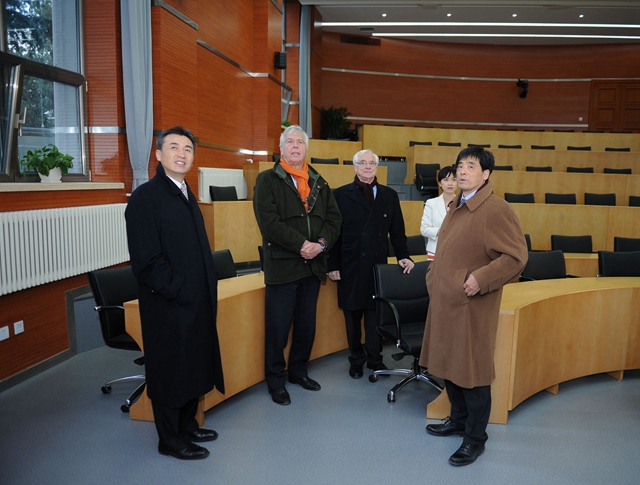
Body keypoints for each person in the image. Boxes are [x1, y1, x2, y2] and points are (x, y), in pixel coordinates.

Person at [419, 147, 527, 467]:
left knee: (473, 374)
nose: (462, 171)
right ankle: (458, 420)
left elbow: (516, 257)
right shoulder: (457, 203)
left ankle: (475, 439)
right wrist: (434, 278)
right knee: (450, 366)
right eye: (460, 166)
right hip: (446, 301)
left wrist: (481, 279)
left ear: (486, 174)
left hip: (471, 306)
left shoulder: (495, 208)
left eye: (471, 166)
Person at [125, 126, 224, 460]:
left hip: (196, 301)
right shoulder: (146, 197)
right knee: (171, 370)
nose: (182, 154)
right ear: (158, 154)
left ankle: (187, 426)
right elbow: (146, 261)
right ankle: (169, 439)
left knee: (193, 364)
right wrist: (178, 291)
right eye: (174, 147)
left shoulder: (184, 191)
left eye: (188, 149)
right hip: (169, 304)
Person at [253, 125, 342, 405]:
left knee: (306, 327)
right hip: (283, 268)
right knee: (278, 329)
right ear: (281, 148)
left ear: (306, 149)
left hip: (312, 268)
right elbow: (268, 222)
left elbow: (334, 220)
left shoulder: (318, 181)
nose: (295, 146)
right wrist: (302, 244)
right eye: (289, 142)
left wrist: (321, 245)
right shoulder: (267, 179)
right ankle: (275, 380)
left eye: (299, 142)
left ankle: (298, 372)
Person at [327, 149, 414, 379]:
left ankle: (375, 359)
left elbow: (397, 231)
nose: (367, 167)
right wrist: (332, 264)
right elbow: (333, 233)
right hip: (350, 263)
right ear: (355, 167)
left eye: (371, 163)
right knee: (352, 316)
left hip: (377, 265)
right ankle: (356, 360)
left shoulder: (389, 195)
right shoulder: (340, 195)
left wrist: (403, 255)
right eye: (362, 163)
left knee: (375, 314)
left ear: (377, 167)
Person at [420, 166, 457, 259]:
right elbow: (424, 229)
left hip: (456, 251)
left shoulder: (463, 203)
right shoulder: (431, 203)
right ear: (440, 183)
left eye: (454, 180)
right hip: (435, 251)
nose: (450, 183)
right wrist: (440, 232)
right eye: (446, 180)